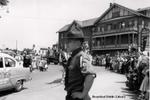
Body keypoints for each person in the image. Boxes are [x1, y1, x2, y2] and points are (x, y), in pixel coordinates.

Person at [62, 31, 96, 100]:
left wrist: (83, 94)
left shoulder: (81, 56)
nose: (66, 44)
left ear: (77, 43)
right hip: (71, 95)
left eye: (69, 41)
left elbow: (90, 75)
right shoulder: (74, 57)